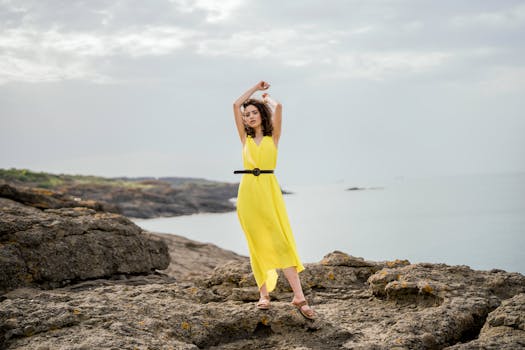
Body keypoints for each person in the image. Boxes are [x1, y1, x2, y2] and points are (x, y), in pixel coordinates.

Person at [232, 81, 315, 320]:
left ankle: (299, 296)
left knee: (281, 241)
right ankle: (264, 295)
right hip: (248, 193)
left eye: (253, 113)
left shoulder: (273, 137)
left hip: (268, 190)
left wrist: (266, 99)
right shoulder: (244, 139)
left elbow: (279, 108)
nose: (249, 117)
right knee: (256, 243)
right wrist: (253, 89)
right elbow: (235, 104)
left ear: (261, 115)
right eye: (246, 115)